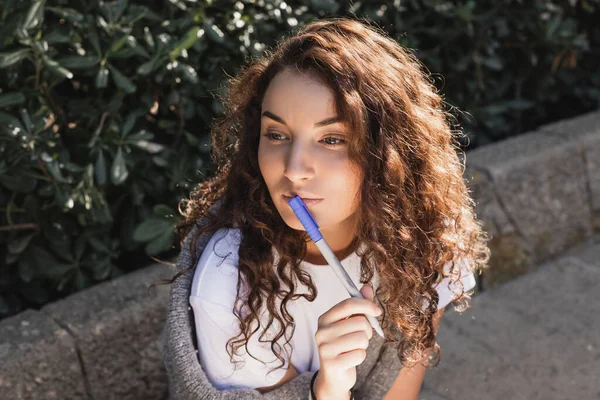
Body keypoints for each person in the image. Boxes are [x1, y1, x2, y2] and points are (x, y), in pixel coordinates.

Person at [161, 17, 490, 400]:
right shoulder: (232, 285)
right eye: (277, 135)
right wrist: (329, 389)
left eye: (331, 139)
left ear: (390, 156)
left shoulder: (425, 242)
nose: (293, 170)